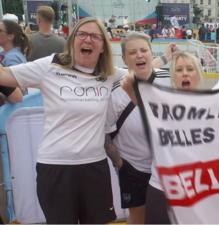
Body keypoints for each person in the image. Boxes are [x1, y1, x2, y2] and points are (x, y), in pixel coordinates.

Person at [0, 17, 119, 224]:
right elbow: (5, 76)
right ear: (72, 40)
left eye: (94, 36)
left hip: (94, 167)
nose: (87, 40)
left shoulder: (109, 74)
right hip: (55, 167)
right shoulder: (51, 65)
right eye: (81, 34)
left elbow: (141, 74)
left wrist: (166, 60)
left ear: (103, 47)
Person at [118, 51, 204, 224]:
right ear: (173, 76)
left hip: (196, 192)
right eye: (179, 69)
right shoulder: (159, 103)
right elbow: (131, 82)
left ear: (199, 75)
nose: (185, 73)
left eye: (190, 69)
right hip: (160, 189)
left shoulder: (215, 108)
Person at [105, 32, 175, 224]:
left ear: (152, 54)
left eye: (144, 50)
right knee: (138, 217)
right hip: (134, 168)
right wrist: (120, 164)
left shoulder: (170, 80)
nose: (140, 55)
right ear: (125, 58)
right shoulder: (116, 92)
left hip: (167, 167)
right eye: (133, 52)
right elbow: (105, 135)